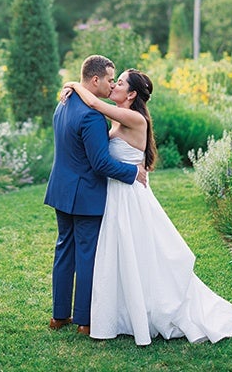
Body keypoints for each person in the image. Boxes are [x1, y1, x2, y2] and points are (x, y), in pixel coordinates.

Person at [63, 68, 232, 345]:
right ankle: (119, 311)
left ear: (132, 94)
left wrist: (74, 83)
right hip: (117, 193)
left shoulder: (134, 118)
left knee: (139, 254)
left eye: (119, 83)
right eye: (115, 80)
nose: (114, 86)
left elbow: (95, 103)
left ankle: (148, 308)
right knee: (119, 254)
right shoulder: (120, 118)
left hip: (129, 196)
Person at [44, 55, 148, 336]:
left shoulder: (64, 101)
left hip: (61, 190)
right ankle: (85, 321)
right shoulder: (92, 116)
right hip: (86, 194)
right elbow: (100, 163)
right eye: (110, 79)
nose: (112, 84)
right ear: (95, 80)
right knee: (87, 255)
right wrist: (132, 173)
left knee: (64, 250)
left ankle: (59, 316)